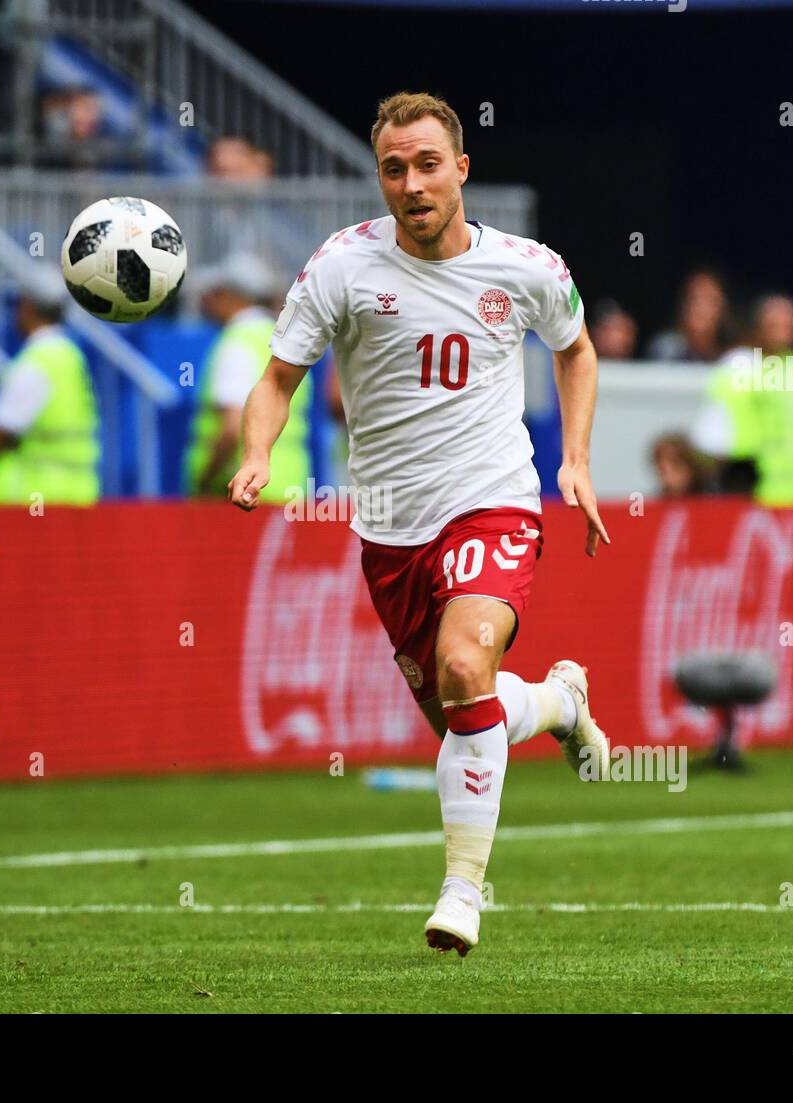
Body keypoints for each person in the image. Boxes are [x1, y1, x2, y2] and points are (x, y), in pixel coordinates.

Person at [227, 91, 610, 957]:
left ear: (461, 169)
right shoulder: (342, 267)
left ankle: (462, 892)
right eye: (394, 168)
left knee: (466, 664)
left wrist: (576, 458)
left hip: (493, 499)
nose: (412, 183)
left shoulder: (526, 268)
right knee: (462, 717)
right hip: (392, 531)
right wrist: (259, 454)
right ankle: (557, 699)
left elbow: (576, 348)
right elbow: (278, 379)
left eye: (428, 164)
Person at [184, 253, 311, 501]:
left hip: (242, 493)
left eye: (216, 292)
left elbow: (231, 427)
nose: (208, 300)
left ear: (233, 295)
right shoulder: (282, 340)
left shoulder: (237, 341)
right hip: (288, 488)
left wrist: (205, 482)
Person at [691, 294, 793, 506]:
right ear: (759, 326)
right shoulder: (738, 366)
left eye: (789, 324)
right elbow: (712, 430)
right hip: (747, 490)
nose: (783, 330)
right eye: (775, 324)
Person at [0, 267, 100, 507]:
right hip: (76, 495)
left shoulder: (36, 363)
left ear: (28, 306)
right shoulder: (70, 357)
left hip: (33, 499)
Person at [645, 268, 730, 363]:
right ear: (682, 306)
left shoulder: (733, 356)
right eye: (694, 299)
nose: (701, 309)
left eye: (710, 301)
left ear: (723, 309)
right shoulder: (666, 349)